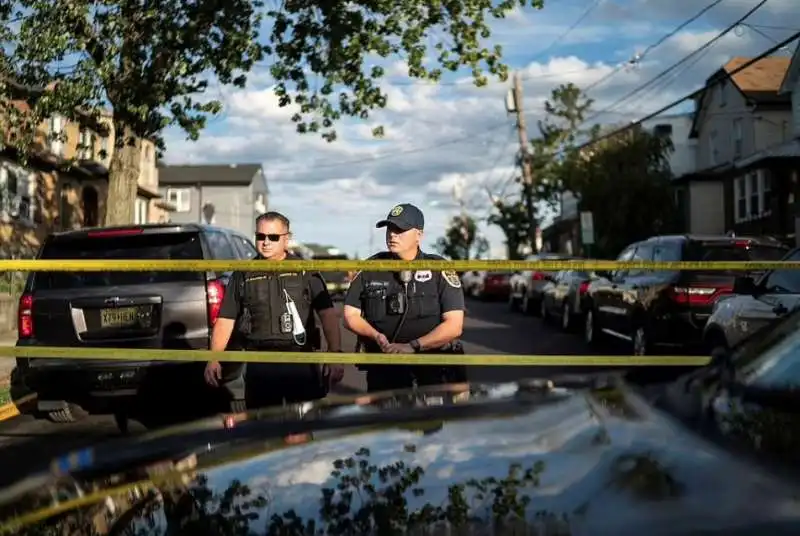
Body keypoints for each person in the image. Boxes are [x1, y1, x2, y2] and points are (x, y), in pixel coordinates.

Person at [203, 211, 345, 409]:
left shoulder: (306, 270)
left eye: (273, 237)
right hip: (260, 362)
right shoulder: (243, 273)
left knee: (300, 431)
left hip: (300, 361)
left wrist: (335, 355)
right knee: (263, 431)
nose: (266, 242)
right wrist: (214, 358)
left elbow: (327, 314)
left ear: (287, 239)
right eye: (260, 236)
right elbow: (226, 319)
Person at [342, 203, 467, 392]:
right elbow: (349, 316)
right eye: (390, 228)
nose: (392, 234)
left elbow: (454, 325)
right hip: (384, 367)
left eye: (400, 229)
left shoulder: (438, 269)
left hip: (431, 368)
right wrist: (376, 336)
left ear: (419, 235)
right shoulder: (370, 268)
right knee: (384, 421)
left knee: (426, 421)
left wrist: (413, 346)